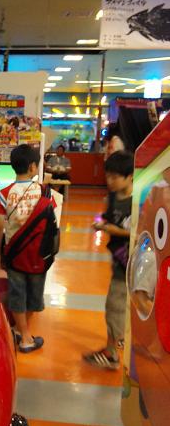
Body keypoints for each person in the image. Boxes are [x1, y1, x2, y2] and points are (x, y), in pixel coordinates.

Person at [0, 144, 50, 353]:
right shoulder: (44, 191)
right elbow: (52, 221)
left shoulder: (4, 193)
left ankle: (19, 331)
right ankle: (25, 337)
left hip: (14, 254)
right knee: (34, 295)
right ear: (33, 167)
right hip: (39, 255)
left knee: (17, 293)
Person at [83, 150, 133, 370]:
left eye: (115, 177)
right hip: (119, 260)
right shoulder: (112, 198)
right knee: (120, 305)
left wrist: (114, 230)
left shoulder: (139, 201)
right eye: (108, 176)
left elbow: (140, 232)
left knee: (114, 306)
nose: (110, 181)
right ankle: (117, 342)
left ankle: (112, 353)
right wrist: (102, 224)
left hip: (131, 263)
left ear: (130, 176)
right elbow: (108, 219)